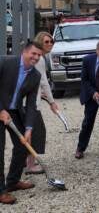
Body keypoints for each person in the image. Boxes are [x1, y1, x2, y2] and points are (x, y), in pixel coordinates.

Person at [0, 42, 42, 204]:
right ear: (24, 52)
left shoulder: (35, 76)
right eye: (33, 53)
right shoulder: (5, 62)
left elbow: (31, 104)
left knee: (22, 145)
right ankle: (1, 190)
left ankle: (12, 182)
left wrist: (29, 128)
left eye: (39, 55)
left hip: (14, 111)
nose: (36, 57)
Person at [25, 32, 60, 174]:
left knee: (26, 132)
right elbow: (43, 81)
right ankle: (31, 165)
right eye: (47, 42)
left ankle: (23, 162)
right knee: (37, 132)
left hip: (26, 100)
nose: (50, 44)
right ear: (40, 42)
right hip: (31, 103)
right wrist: (52, 102)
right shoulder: (39, 59)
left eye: (52, 41)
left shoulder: (33, 56)